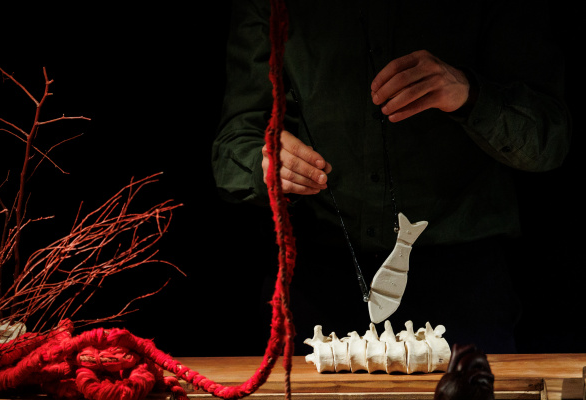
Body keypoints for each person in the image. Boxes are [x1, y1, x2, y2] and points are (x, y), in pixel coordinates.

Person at [212, 0, 571, 354]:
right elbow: (233, 144)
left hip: (460, 288)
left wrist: (469, 94)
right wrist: (264, 163)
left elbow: (549, 140)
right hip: (312, 285)